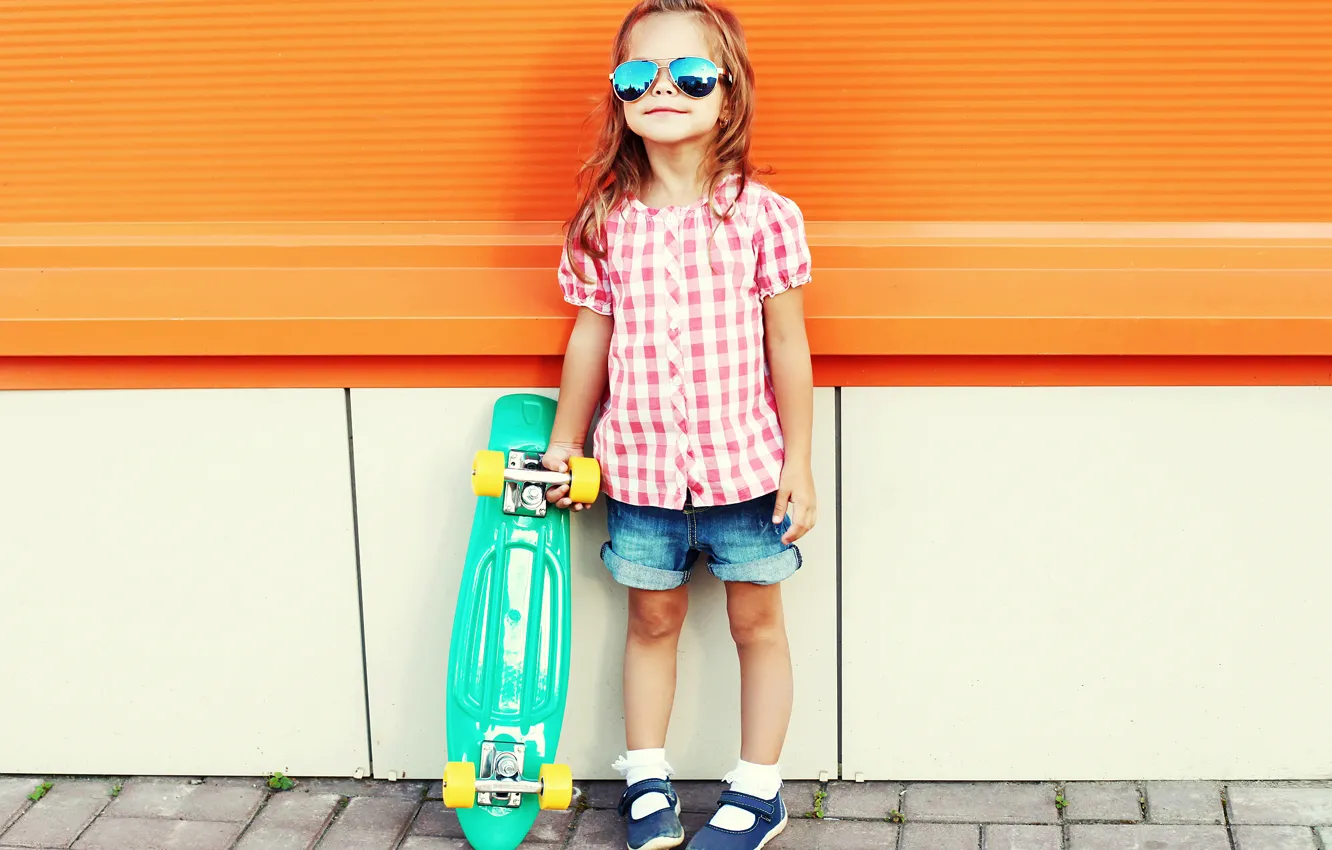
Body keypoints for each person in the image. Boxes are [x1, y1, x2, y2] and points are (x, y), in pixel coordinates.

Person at [542, 1, 815, 847]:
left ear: (726, 97)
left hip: (746, 471)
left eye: (690, 75)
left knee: (755, 623)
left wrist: (799, 462)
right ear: (619, 96)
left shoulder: (764, 216)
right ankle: (647, 777)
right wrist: (564, 441)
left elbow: (787, 345)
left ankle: (758, 789)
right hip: (642, 471)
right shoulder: (603, 221)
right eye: (638, 76)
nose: (663, 90)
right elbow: (591, 336)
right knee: (651, 622)